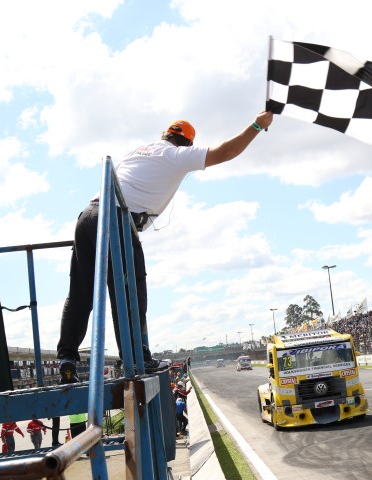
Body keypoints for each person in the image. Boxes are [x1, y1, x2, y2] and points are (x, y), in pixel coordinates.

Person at [56, 111, 273, 383]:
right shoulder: (176, 155)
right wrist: (256, 125)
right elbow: (225, 152)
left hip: (88, 215)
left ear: (164, 136)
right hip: (117, 221)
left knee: (80, 294)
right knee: (131, 293)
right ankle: (136, 358)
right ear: (187, 144)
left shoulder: (139, 150)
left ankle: (66, 358)